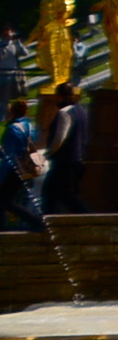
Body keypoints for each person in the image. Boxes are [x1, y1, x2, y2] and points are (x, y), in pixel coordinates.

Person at [39, 84, 87, 215]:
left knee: (61, 194)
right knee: (54, 193)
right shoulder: (81, 111)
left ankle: (89, 217)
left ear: (60, 96)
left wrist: (47, 154)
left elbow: (59, 139)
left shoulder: (64, 113)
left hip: (64, 161)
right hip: (77, 160)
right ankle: (49, 222)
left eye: (56, 96)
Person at [0, 101, 44, 232]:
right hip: (25, 167)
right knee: (4, 200)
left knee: (5, 201)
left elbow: (8, 154)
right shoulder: (29, 126)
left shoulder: (12, 129)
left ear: (12, 112)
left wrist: (2, 175)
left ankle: (35, 221)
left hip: (12, 170)